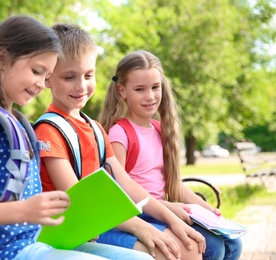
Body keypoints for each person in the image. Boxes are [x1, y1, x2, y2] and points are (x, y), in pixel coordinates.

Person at [0, 15, 154, 260]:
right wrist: (25, 210)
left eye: (46, 77)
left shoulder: (18, 125)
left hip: (38, 241)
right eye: (36, 71)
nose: (40, 84)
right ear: (2, 59)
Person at [34, 23, 206, 260]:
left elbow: (126, 185)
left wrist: (170, 217)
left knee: (188, 248)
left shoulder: (94, 128)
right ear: (48, 79)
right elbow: (79, 200)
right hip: (70, 234)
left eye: (88, 75)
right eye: (69, 77)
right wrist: (140, 226)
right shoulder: (48, 130)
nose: (81, 86)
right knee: (171, 254)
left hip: (101, 223)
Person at [97, 50, 243, 260]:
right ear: (122, 91)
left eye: (155, 87)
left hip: (161, 211)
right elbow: (119, 191)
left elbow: (172, 183)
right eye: (140, 89)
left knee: (233, 244)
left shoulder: (157, 129)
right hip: (140, 214)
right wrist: (169, 208)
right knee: (212, 247)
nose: (150, 96)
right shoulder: (120, 133)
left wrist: (207, 209)